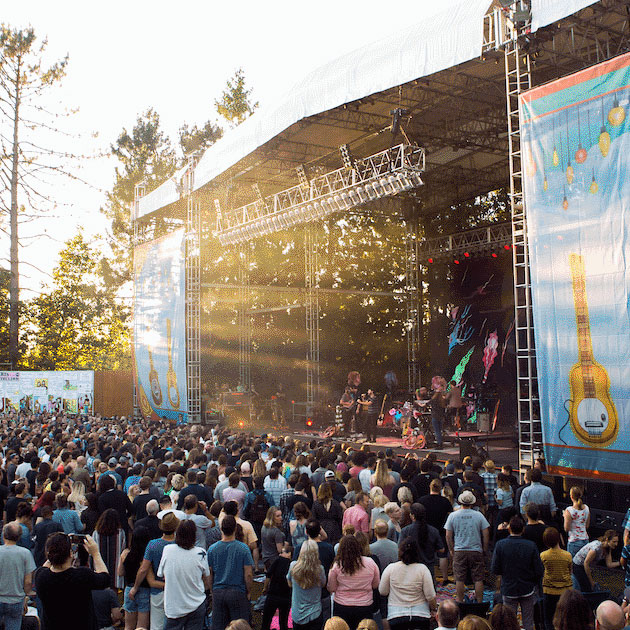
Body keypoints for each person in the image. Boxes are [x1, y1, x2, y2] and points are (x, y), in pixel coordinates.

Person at [35, 532, 110, 630]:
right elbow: (105, 579)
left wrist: (55, 545)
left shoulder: (41, 576)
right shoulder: (82, 575)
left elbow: (47, 564)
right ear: (71, 554)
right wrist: (95, 553)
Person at [490, 515, 544, 630]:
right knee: (528, 622)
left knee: (509, 622)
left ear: (509, 529)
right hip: (527, 588)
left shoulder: (500, 545)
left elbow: (495, 569)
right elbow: (539, 570)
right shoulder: (531, 545)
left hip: (509, 588)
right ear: (523, 529)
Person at [129, 512, 180, 630]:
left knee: (156, 625)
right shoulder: (179, 544)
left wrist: (135, 587)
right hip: (176, 591)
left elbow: (143, 569)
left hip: (157, 590)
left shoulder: (153, 544)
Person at [158, 520, 211, 629]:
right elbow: (207, 578)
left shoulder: (168, 550)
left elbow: (161, 574)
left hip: (174, 608)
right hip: (196, 604)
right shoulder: (201, 553)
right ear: (194, 535)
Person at [207, 515, 254, 630]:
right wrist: (248, 591)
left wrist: (212, 590)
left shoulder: (212, 549)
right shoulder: (243, 548)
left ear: (221, 529)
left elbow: (209, 574)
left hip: (219, 591)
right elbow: (248, 574)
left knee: (218, 626)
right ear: (235, 529)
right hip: (237, 591)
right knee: (239, 626)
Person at [379, 537, 437, 630]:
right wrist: (434, 609)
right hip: (420, 615)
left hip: (396, 615)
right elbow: (430, 596)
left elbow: (383, 591)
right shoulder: (423, 569)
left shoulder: (390, 568)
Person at [444, 490, 490, 603]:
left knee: (459, 578)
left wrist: (451, 549)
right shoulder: (479, 516)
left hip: (459, 550)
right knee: (478, 578)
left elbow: (448, 535)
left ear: (460, 502)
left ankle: (459, 601)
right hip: (475, 550)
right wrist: (484, 548)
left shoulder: (453, 516)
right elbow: (486, 533)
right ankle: (479, 602)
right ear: (472, 502)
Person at [328, 535, 380, 630]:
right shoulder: (370, 562)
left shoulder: (337, 565)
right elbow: (375, 584)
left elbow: (331, 588)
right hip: (364, 605)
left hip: (342, 605)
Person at [0, 522, 36, 630]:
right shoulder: (25, 553)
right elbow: (28, 581)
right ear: (19, 537)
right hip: (16, 600)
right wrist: (27, 594)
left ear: (3, 535)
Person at [288, 538, 327, 630]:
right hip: (315, 613)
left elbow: (289, 583)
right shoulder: (320, 569)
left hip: (297, 613)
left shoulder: (293, 566)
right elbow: (323, 584)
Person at [119, 526, 152, 630]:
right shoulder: (147, 556)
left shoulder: (125, 553)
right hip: (145, 590)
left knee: (128, 626)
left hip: (129, 589)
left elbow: (120, 572)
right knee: (141, 626)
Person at [541, 526, 573, 630]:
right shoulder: (567, 555)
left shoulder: (543, 555)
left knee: (548, 619)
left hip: (548, 590)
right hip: (565, 591)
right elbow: (570, 571)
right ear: (558, 538)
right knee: (564, 618)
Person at [260, 542, 292, 630]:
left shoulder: (278, 560)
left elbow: (268, 575)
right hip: (286, 596)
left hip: (273, 594)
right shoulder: (292, 564)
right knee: (283, 621)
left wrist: (265, 588)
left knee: (266, 620)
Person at [93, 508, 126, 590]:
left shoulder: (96, 533)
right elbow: (123, 549)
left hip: (100, 568)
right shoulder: (120, 533)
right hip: (116, 571)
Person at [564, 486, 590, 558]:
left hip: (574, 541)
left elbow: (566, 528)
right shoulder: (586, 508)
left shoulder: (569, 510)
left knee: (573, 564)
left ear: (571, 496)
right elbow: (587, 525)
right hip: (585, 539)